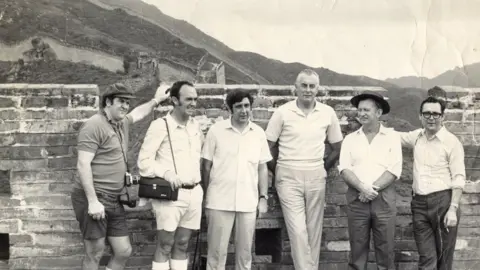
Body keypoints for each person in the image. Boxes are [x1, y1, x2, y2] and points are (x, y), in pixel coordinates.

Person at [71, 82, 169, 270]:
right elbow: (83, 164)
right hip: (95, 197)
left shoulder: (120, 122)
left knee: (123, 251)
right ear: (108, 102)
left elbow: (138, 113)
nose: (125, 106)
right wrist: (92, 201)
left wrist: (156, 100)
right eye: (121, 101)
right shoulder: (93, 126)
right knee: (95, 252)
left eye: (127, 102)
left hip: (115, 199)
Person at [265, 69, 343, 270]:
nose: (308, 90)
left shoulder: (327, 113)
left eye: (312, 86)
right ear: (295, 88)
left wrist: (322, 167)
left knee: (313, 231)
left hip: (316, 174)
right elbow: (267, 147)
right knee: (297, 231)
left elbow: (337, 146)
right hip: (288, 176)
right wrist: (279, 169)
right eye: (304, 85)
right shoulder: (282, 112)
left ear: (318, 89)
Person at [201, 89, 272, 270]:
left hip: (248, 202)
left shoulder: (258, 133)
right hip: (218, 202)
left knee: (245, 255)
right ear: (229, 109)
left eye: (247, 105)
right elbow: (206, 166)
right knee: (216, 255)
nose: (244, 110)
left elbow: (262, 167)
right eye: (238, 106)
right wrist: (206, 197)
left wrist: (263, 197)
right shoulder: (216, 131)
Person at [137, 81, 203, 270]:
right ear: (175, 100)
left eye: (195, 99)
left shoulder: (195, 126)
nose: (193, 103)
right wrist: (165, 172)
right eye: (188, 99)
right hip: (171, 195)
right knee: (165, 245)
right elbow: (144, 161)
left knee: (182, 244)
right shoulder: (161, 126)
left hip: (194, 193)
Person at [399, 96, 465, 270]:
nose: (431, 117)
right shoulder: (416, 137)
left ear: (442, 116)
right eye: (427, 113)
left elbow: (459, 177)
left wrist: (453, 208)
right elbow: (394, 137)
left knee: (443, 260)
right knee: (427, 259)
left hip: (444, 203)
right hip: (419, 204)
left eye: (436, 114)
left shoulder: (451, 142)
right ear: (420, 116)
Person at [338, 92, 402, 270]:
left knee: (386, 250)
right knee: (357, 251)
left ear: (379, 113)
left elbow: (394, 169)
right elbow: (344, 168)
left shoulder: (392, 137)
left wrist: (371, 190)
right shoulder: (350, 139)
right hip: (357, 200)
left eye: (367, 110)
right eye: (359, 110)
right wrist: (362, 188)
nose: (362, 114)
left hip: (384, 200)